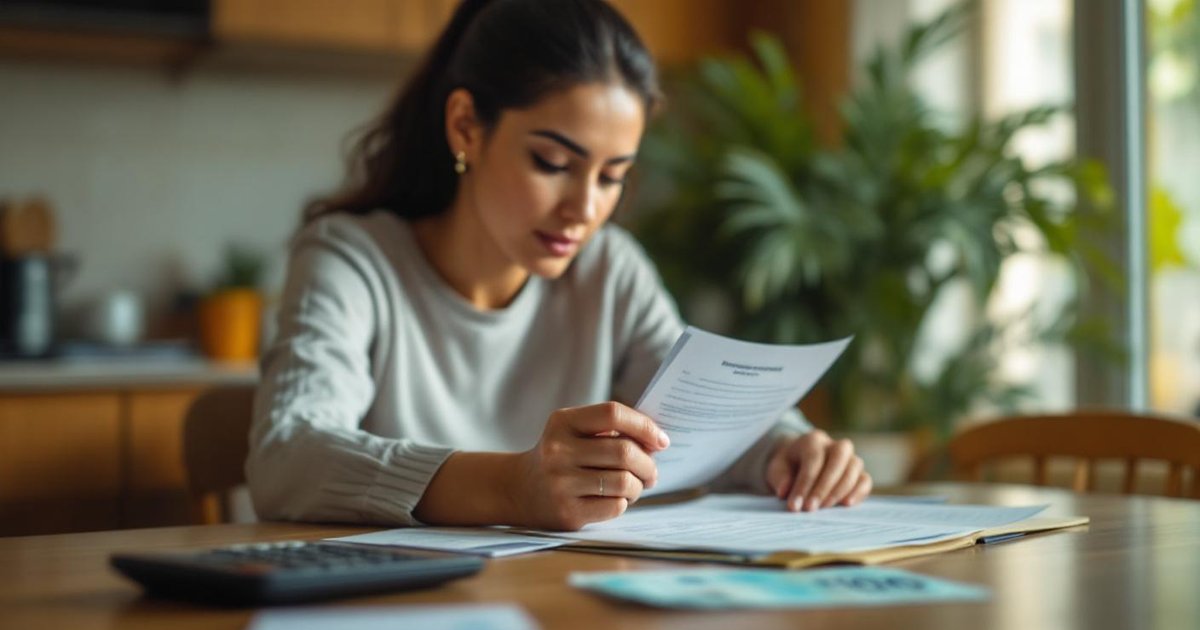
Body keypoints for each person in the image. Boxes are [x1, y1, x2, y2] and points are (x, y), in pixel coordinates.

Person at [247, 0, 872, 531]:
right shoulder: (351, 260)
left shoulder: (608, 269)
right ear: (466, 126)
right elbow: (289, 454)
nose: (584, 209)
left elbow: (700, 417)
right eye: (552, 162)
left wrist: (792, 448)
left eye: (613, 177)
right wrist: (511, 486)